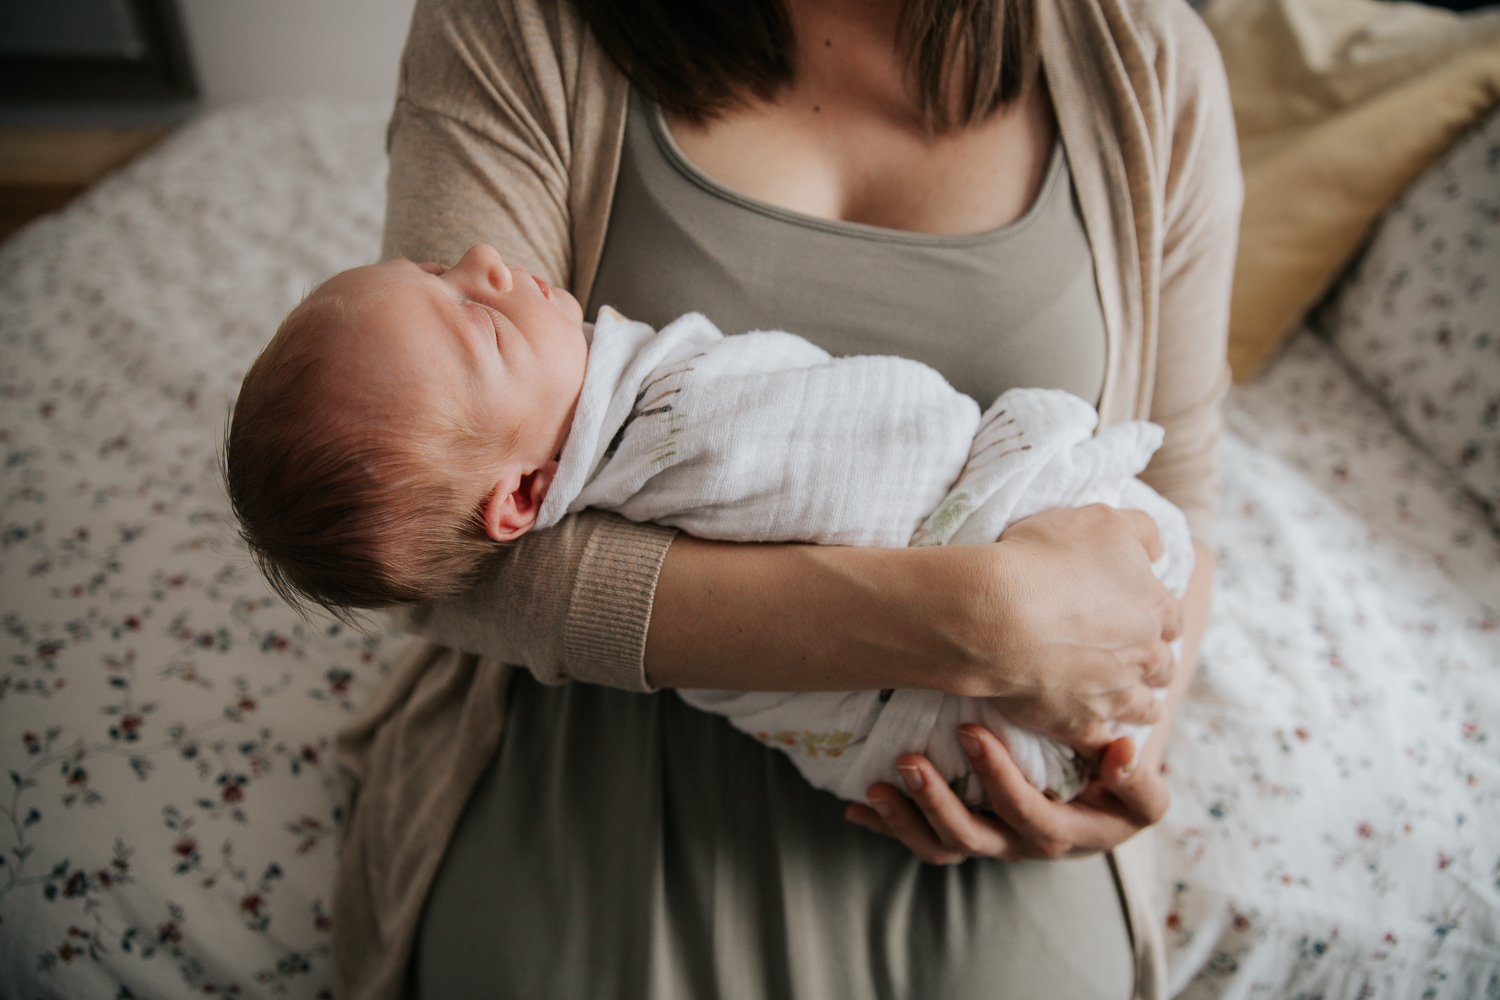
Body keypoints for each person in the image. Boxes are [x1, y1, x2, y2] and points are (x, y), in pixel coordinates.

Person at [331, 0, 1240, 997]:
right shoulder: (513, 24)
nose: (480, 281)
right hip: (593, 747)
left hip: (977, 791)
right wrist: (976, 620)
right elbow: (437, 545)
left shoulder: (1147, 67)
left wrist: (1120, 743)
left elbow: (1181, 491)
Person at [228, 250, 1193, 803]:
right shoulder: (685, 425)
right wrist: (1004, 580)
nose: (484, 258)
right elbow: (880, 443)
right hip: (956, 718)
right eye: (475, 319)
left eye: (440, 266)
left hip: (1064, 703)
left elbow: (1203, 468)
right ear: (522, 498)